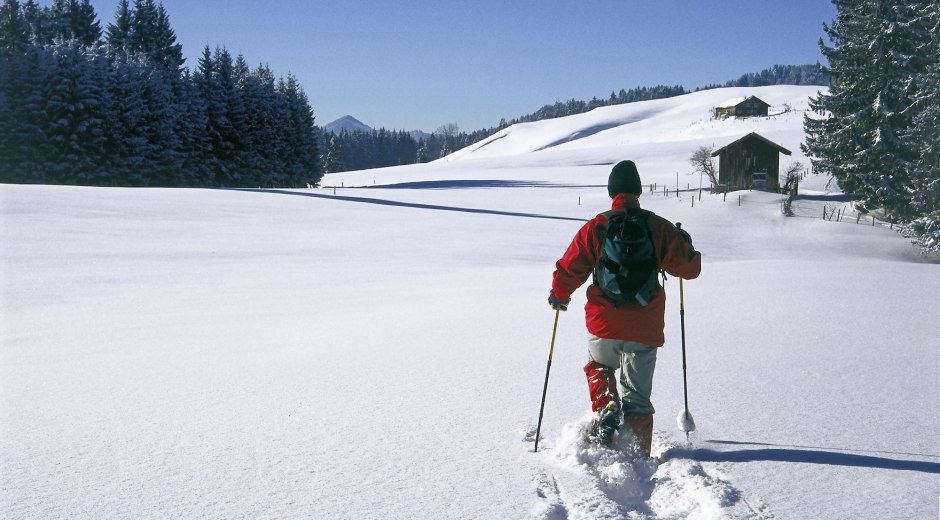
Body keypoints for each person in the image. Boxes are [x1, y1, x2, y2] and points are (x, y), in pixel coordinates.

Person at [548, 160, 701, 457]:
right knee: (638, 398)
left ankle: (606, 405)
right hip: (645, 326)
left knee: (599, 366)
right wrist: (685, 243)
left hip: (604, 321)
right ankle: (638, 456)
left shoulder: (598, 226)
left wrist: (558, 295)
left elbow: (571, 267)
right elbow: (690, 268)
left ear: (612, 191)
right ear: (638, 190)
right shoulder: (658, 226)